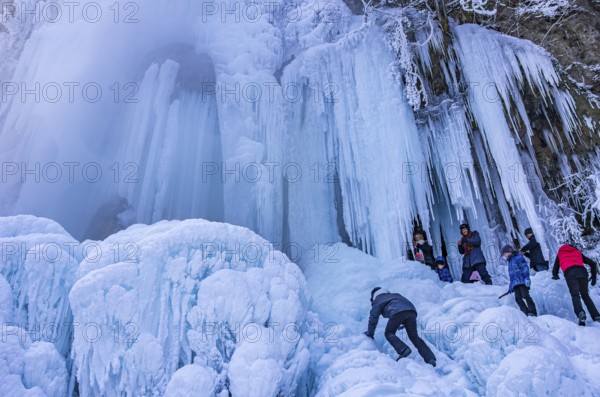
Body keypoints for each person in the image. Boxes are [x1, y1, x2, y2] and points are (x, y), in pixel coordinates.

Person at [364, 287, 437, 367]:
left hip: (397, 312)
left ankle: (403, 350)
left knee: (389, 333)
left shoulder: (377, 300)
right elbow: (402, 306)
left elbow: (373, 317)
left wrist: (370, 333)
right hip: (411, 311)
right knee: (414, 337)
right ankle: (430, 358)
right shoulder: (395, 295)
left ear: (373, 297)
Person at [552, 244, 599, 326]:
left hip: (570, 274)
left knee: (575, 295)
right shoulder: (577, 252)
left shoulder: (560, 254)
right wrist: (594, 278)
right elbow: (593, 263)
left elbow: (555, 269)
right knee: (585, 295)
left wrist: (555, 276)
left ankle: (581, 313)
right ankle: (596, 316)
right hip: (582, 272)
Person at [502, 245, 537, 316]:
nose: (504, 255)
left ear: (508, 251)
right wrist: (510, 287)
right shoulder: (510, 261)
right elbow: (511, 276)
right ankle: (526, 313)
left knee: (525, 296)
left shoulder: (518, 257)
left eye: (504, 253)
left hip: (522, 281)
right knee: (518, 299)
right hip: (515, 284)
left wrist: (526, 277)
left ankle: (532, 312)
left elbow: (525, 267)